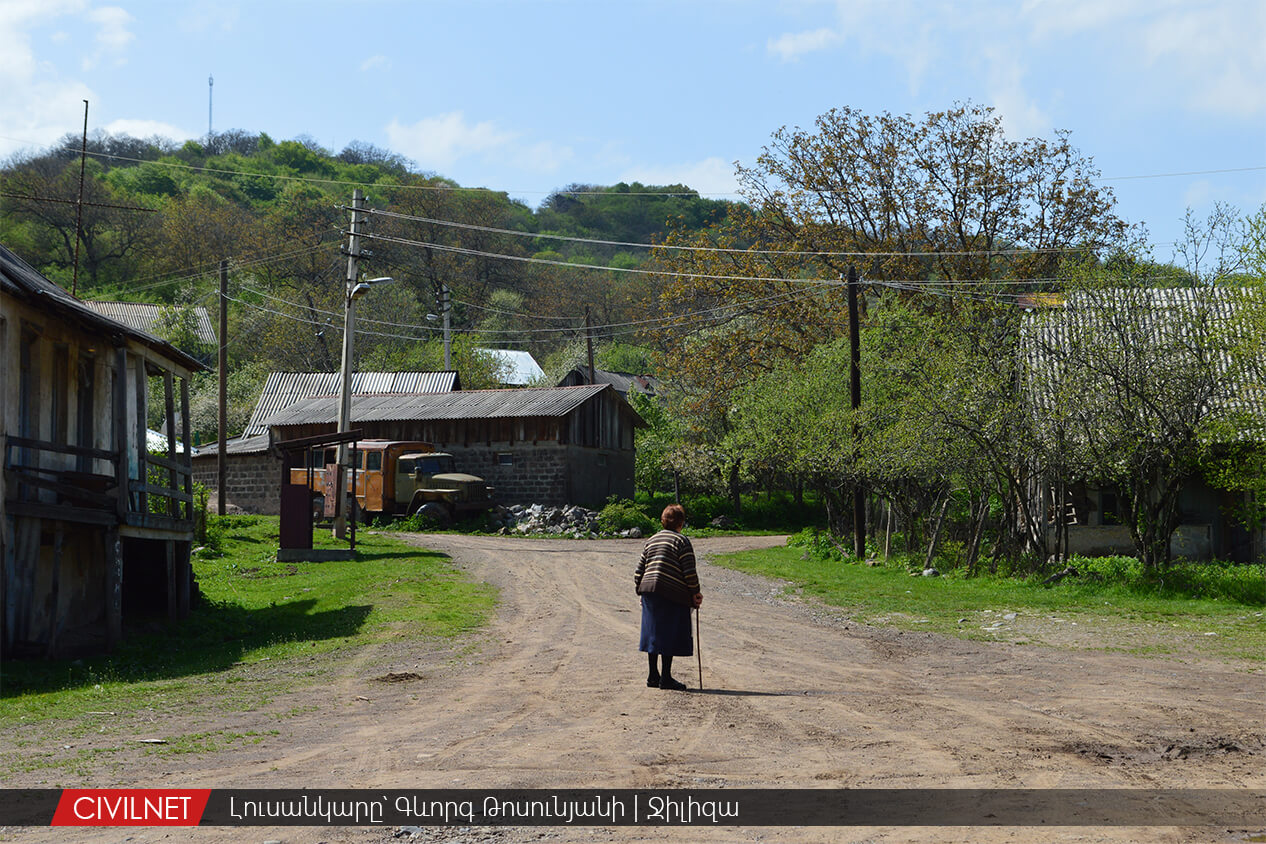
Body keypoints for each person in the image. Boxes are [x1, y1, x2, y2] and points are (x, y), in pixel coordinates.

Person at [634, 504, 703, 690]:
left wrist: (641, 591)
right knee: (668, 633)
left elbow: (639, 571)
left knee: (653, 633)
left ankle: (652, 676)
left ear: (663, 521)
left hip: (649, 590)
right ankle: (665, 677)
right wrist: (695, 593)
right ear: (681, 523)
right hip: (671, 592)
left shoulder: (652, 540)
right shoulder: (681, 541)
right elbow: (689, 572)